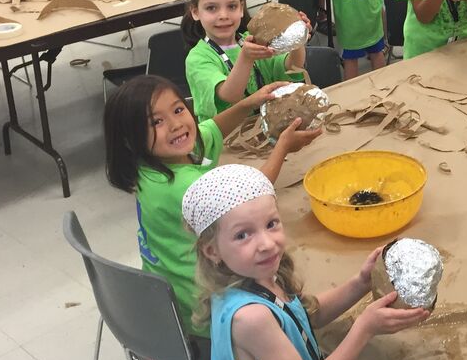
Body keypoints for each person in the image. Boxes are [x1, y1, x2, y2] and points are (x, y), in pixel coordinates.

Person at [185, 164, 429, 360]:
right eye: (243, 235)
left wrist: (360, 282)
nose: (265, 243)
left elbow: (304, 315)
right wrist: (364, 329)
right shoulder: (251, 317)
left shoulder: (250, 278)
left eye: (271, 224)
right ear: (212, 251)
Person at [104, 75, 320, 336]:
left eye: (178, 109)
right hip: (202, 306)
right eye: (156, 121)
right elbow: (249, 195)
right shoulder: (180, 186)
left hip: (163, 292)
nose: (175, 125)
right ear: (130, 139)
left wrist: (247, 104)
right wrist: (283, 147)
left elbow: (211, 129)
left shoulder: (150, 163)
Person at [182, 0, 308, 124]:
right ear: (195, 12)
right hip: (226, 139)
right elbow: (230, 95)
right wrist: (246, 58)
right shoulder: (197, 59)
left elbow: (292, 67)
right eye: (211, 8)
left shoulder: (252, 40)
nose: (223, 15)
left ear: (241, 8)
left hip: (266, 126)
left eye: (232, 6)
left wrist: (297, 38)